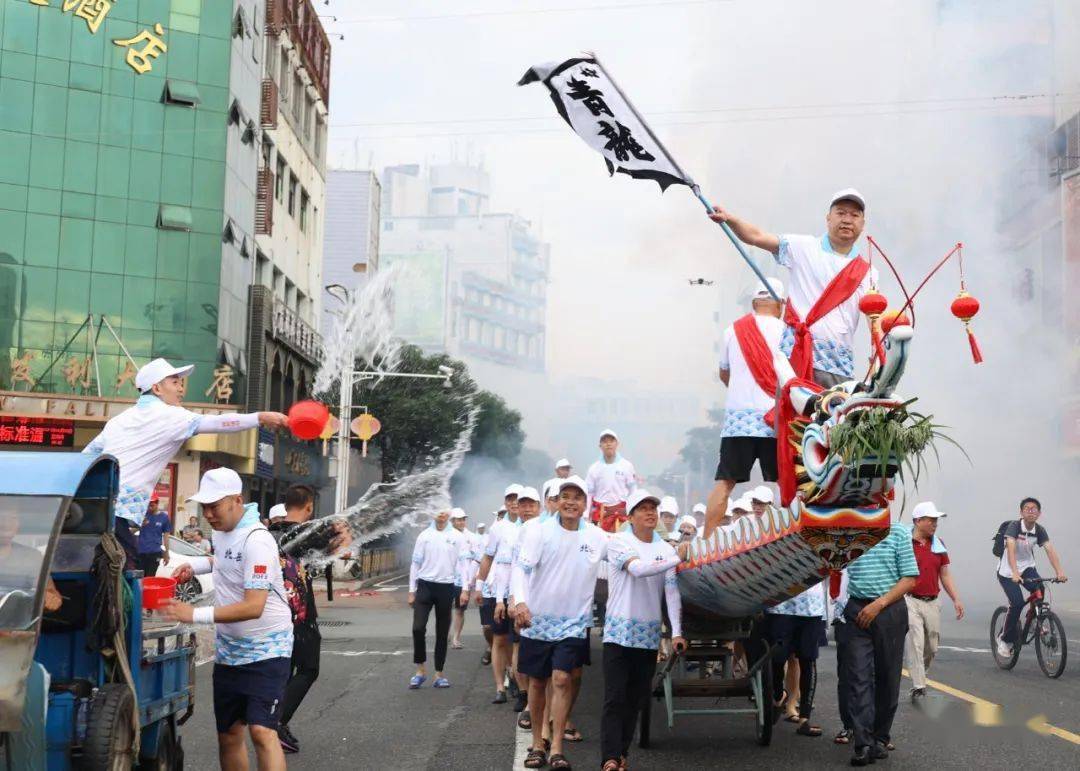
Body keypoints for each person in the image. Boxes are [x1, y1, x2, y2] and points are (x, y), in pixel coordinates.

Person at [82, 358, 288, 568]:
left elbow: (86, 456)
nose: (181, 388)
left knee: (95, 568)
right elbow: (218, 422)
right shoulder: (171, 416)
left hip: (89, 505)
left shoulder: (118, 421)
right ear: (157, 388)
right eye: (175, 382)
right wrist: (260, 418)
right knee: (124, 572)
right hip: (115, 511)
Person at [161, 468, 292, 771]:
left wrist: (193, 614)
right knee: (230, 734)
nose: (208, 514)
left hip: (268, 648)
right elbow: (222, 560)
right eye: (204, 507)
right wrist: (194, 566)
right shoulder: (222, 532)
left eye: (214, 506)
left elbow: (253, 606)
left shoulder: (258, 540)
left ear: (236, 500)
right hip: (230, 649)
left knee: (262, 731)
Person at [708, 190, 879, 389]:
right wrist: (730, 219)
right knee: (791, 420)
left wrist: (879, 361)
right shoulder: (802, 247)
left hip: (838, 367)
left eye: (854, 215)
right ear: (828, 218)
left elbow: (874, 323)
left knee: (834, 419)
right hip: (795, 360)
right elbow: (756, 236)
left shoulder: (868, 272)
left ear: (862, 223)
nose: (847, 220)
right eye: (841, 213)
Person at [512, 476, 608, 771]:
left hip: (573, 622)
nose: (570, 501)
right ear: (557, 500)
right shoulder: (539, 532)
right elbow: (522, 569)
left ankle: (556, 748)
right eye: (565, 495)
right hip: (538, 619)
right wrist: (519, 602)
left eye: (577, 497)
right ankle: (537, 745)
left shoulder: (596, 537)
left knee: (562, 679)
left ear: (585, 505)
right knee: (538, 682)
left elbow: (627, 555)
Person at [600, 489, 686, 771]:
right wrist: (677, 557)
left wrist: (676, 632)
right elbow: (638, 569)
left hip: (647, 636)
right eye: (643, 508)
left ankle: (621, 753)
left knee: (635, 701)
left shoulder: (665, 548)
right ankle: (609, 758)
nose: (650, 512)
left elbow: (671, 593)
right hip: (617, 634)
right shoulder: (618, 542)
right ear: (631, 516)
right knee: (615, 698)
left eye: (653, 508)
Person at [268, 484, 350, 754]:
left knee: (285, 671)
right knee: (308, 669)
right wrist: (342, 530)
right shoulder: (311, 533)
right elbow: (345, 550)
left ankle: (276, 722)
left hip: (273, 615)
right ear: (309, 506)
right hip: (301, 617)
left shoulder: (269, 534)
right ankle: (277, 721)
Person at [704, 280, 787, 538]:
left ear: (753, 304)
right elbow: (794, 378)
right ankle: (791, 536)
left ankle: (705, 542)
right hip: (774, 420)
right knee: (786, 481)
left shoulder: (731, 330)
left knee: (725, 482)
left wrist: (743, 390)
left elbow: (724, 373)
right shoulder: (788, 330)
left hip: (738, 420)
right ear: (780, 304)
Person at [842, 520, 919, 766]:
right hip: (856, 609)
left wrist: (879, 604)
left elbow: (909, 579)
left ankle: (880, 738)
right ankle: (862, 742)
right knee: (858, 676)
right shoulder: (846, 529)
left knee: (887, 676)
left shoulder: (897, 532)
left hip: (889, 610)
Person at [904, 502, 964, 702]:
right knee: (916, 642)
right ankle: (919, 685)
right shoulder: (904, 542)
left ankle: (921, 675)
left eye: (936, 520)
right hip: (910, 600)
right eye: (930, 520)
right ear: (917, 521)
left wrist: (956, 599)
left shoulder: (939, 544)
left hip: (932, 601)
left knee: (931, 646)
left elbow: (945, 575)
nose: (934, 524)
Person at [995, 497, 1068, 659]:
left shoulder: (1039, 530)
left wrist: (1059, 572)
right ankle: (1004, 639)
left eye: (1034, 508)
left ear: (1039, 513)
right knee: (1017, 603)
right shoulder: (1014, 527)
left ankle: (1036, 618)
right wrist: (1014, 573)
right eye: (1027, 508)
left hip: (1027, 567)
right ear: (1021, 512)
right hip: (1007, 571)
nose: (1030, 511)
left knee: (1040, 589)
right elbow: (1011, 549)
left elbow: (1050, 550)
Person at [471, 485, 523, 703]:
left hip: (520, 594)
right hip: (498, 591)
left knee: (518, 641)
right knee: (499, 639)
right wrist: (479, 585)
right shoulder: (498, 528)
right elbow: (488, 558)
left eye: (517, 499)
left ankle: (518, 683)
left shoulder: (533, 526)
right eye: (509, 498)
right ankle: (500, 687)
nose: (513, 502)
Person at [408, 509, 464, 689]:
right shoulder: (424, 535)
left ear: (449, 513)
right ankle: (420, 669)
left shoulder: (457, 536)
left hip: (446, 587)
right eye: (437, 509)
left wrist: (463, 589)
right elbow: (415, 563)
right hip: (425, 586)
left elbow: (462, 564)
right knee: (418, 628)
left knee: (442, 632)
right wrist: (411, 590)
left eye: (444, 510)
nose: (440, 513)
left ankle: (439, 673)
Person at [499, 488, 543, 715]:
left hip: (542, 601)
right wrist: (509, 599)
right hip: (520, 600)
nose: (527, 509)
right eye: (523, 505)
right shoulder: (511, 532)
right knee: (519, 646)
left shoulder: (546, 530)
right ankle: (525, 694)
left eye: (531, 505)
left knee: (536, 654)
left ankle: (536, 700)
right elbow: (508, 568)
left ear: (539, 507)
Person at [765, 580, 828, 737]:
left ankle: (804, 719)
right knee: (777, 658)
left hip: (811, 606)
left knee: (808, 659)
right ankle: (779, 695)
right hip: (781, 604)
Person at [585, 429, 638, 532]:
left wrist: (632, 510)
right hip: (600, 513)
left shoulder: (626, 465)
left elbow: (633, 490)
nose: (608, 444)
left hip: (621, 513)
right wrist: (586, 515)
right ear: (600, 446)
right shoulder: (594, 468)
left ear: (617, 444)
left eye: (611, 441)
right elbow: (589, 494)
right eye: (605, 441)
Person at [450, 508, 478, 650]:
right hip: (447, 579)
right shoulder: (447, 536)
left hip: (463, 581)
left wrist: (471, 580)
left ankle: (456, 637)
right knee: (443, 609)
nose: (461, 522)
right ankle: (444, 635)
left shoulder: (472, 537)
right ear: (452, 521)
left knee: (460, 610)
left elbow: (476, 558)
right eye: (458, 520)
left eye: (463, 519)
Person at [136, 496, 171, 579]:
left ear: (157, 503)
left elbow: (166, 536)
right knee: (139, 579)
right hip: (141, 552)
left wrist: (166, 553)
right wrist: (140, 525)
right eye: (148, 505)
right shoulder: (143, 515)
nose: (150, 508)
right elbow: (131, 531)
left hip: (155, 553)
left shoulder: (164, 517)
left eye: (152, 505)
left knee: (150, 578)